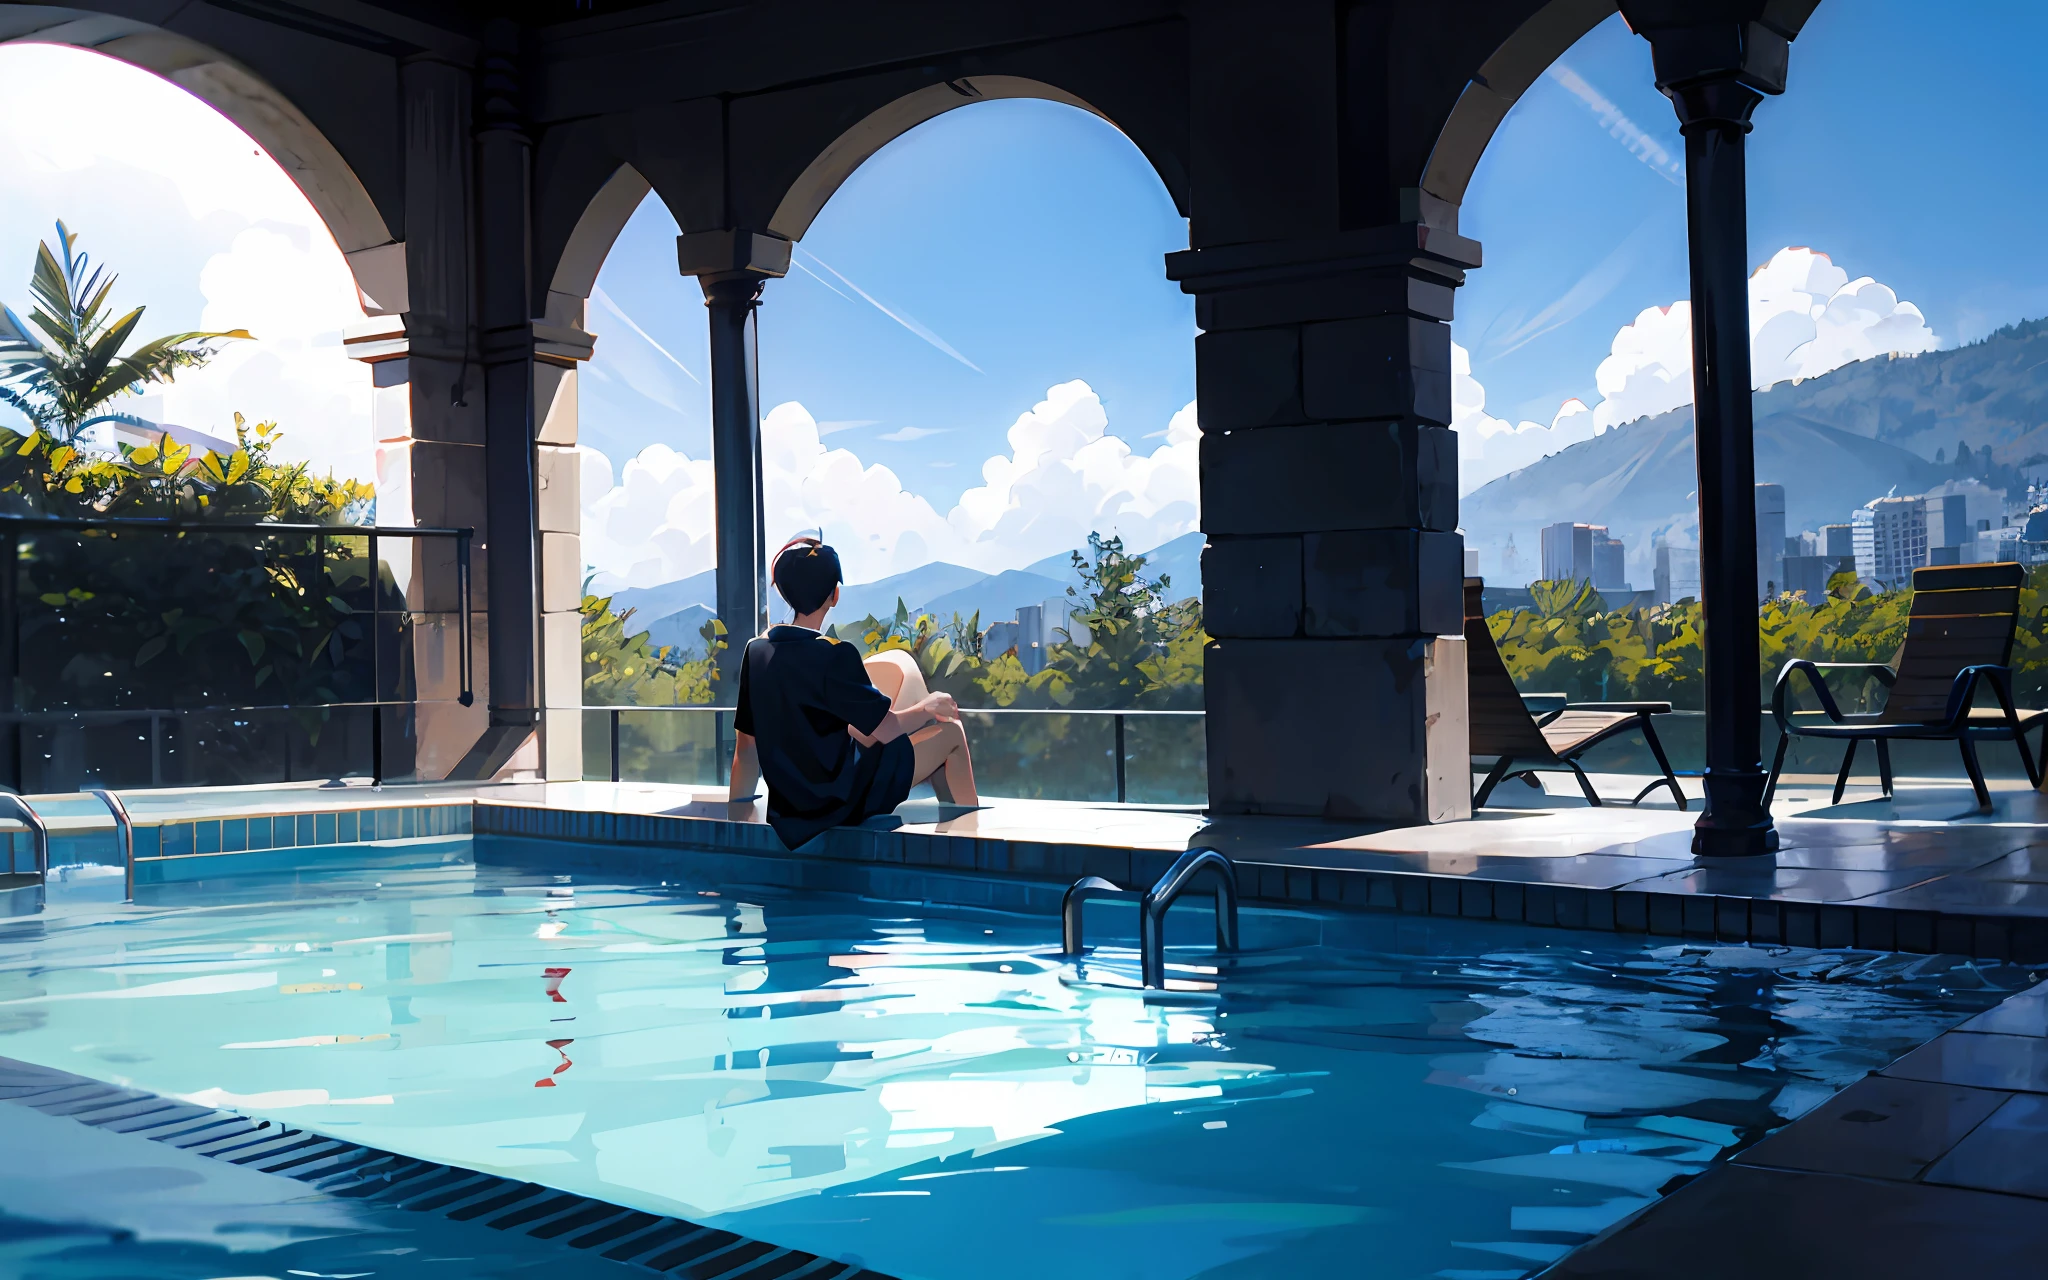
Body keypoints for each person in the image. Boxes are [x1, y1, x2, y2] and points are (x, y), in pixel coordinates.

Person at [728, 535, 979, 848]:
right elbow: (885, 729)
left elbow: (746, 748)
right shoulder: (835, 654)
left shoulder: (756, 652)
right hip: (842, 800)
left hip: (790, 808)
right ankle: (972, 844)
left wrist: (735, 821)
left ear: (785, 591)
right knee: (951, 734)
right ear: (834, 595)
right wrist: (929, 705)